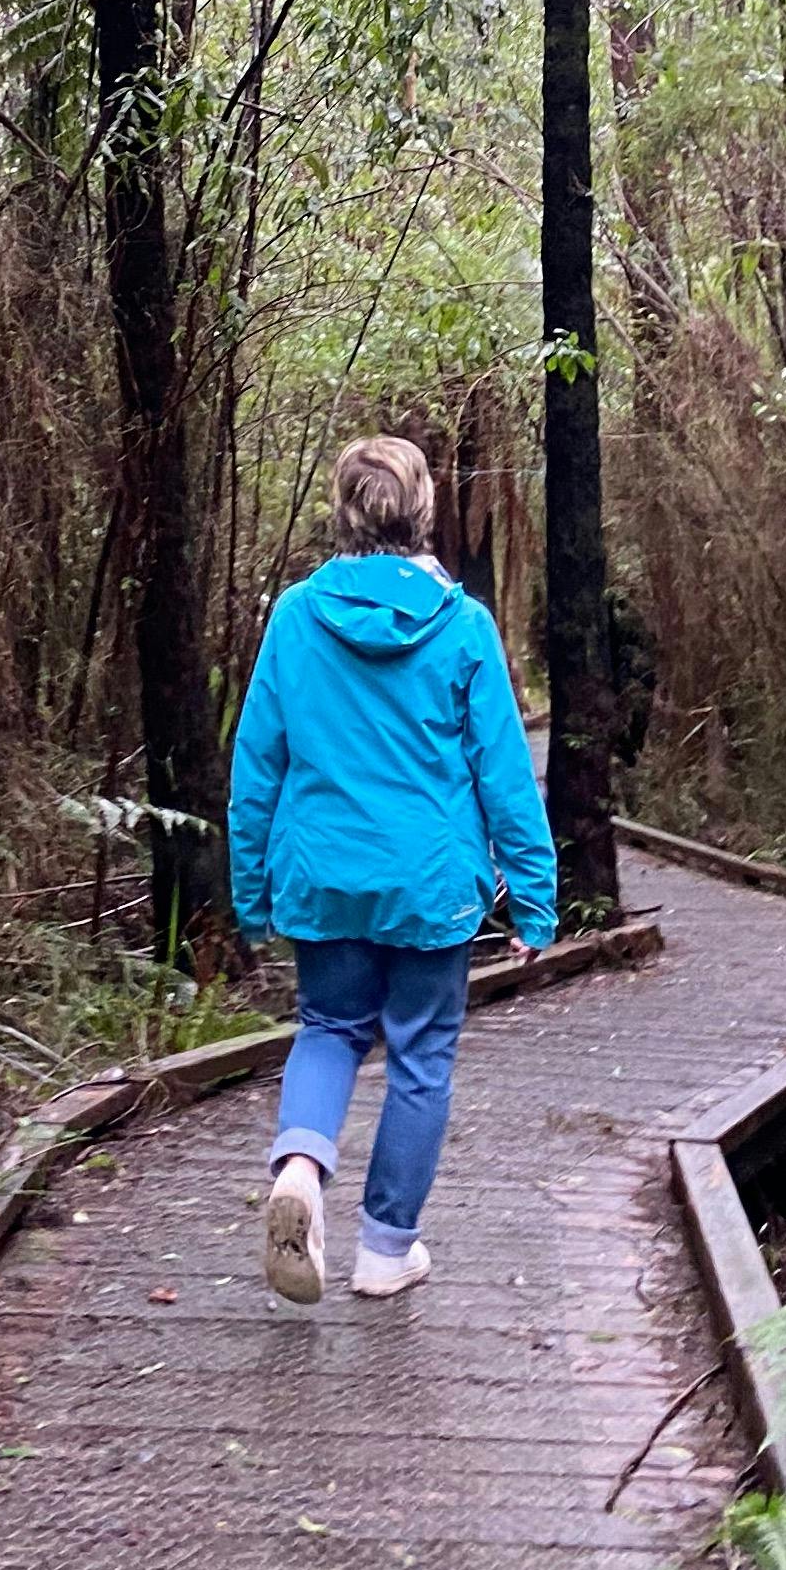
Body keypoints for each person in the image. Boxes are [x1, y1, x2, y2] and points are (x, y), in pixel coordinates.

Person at [226, 433, 557, 1304]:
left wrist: (252, 894)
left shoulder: (296, 617)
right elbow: (503, 773)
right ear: (424, 512)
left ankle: (300, 1170)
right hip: (430, 885)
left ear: (342, 513)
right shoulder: (463, 625)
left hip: (323, 875)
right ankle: (384, 1250)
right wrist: (534, 898)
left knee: (328, 1027)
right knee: (420, 1056)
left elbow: (257, 768)